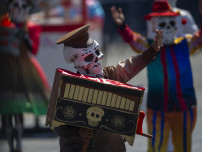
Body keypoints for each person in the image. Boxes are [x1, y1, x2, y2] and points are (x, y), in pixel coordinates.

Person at [111, 0, 202, 152]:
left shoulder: (185, 43)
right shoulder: (149, 47)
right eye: (162, 23)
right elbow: (132, 38)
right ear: (154, 25)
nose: (167, 28)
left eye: (170, 22)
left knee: (183, 147)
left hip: (184, 105)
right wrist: (122, 26)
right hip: (158, 107)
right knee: (157, 147)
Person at [53, 24, 162, 152]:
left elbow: (129, 67)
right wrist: (78, 131)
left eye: (97, 53)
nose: (97, 60)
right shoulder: (67, 86)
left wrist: (152, 51)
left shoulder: (109, 75)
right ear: (77, 61)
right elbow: (57, 123)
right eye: (89, 57)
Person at [0, 0, 50, 152]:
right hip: (5, 70)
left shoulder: (31, 27)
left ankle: (19, 145)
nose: (19, 10)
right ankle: (10, 145)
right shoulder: (3, 24)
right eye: (15, 5)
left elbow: (34, 50)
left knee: (18, 107)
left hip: (23, 69)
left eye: (23, 6)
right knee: (6, 109)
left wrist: (24, 36)